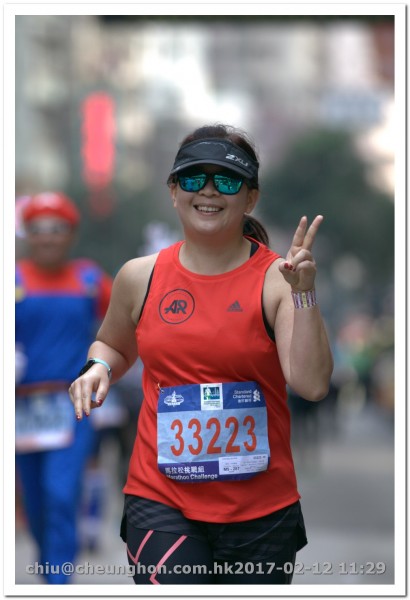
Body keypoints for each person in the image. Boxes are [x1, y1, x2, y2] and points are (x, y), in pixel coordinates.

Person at [69, 124, 333, 585]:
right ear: (174, 191)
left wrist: (304, 295)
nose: (208, 191)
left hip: (260, 508)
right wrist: (99, 366)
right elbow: (112, 344)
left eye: (227, 181)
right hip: (160, 497)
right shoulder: (140, 276)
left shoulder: (278, 278)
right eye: (193, 178)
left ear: (250, 198)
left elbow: (310, 384)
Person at [15, 192, 112, 584]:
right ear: (27, 234)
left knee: (61, 492)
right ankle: (48, 567)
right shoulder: (12, 279)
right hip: (20, 409)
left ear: (71, 234)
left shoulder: (90, 280)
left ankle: (59, 580)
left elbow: (122, 326)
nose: (48, 237)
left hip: (73, 405)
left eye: (57, 229)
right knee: (34, 498)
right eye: (39, 229)